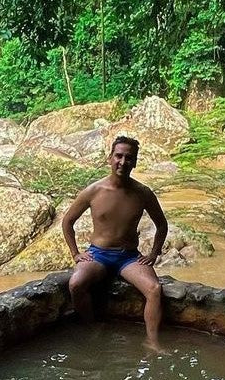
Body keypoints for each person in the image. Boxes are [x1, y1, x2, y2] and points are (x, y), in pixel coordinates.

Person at [61, 135, 168, 349]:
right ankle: (92, 327)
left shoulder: (143, 193)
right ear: (110, 158)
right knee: (75, 284)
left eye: (129, 158)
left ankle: (152, 342)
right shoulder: (93, 191)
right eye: (118, 156)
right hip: (98, 255)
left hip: (128, 257)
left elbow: (162, 225)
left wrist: (153, 254)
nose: (123, 162)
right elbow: (67, 222)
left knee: (154, 289)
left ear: (135, 162)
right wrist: (75, 254)